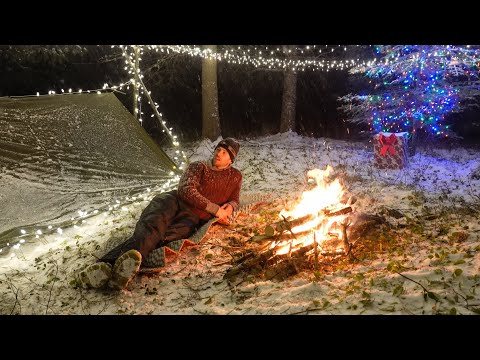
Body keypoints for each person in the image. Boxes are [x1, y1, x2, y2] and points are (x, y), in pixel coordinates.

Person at [77, 138, 242, 290]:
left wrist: (231, 207)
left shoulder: (235, 177)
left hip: (192, 217)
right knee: (154, 227)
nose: (219, 154)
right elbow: (186, 190)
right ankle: (108, 267)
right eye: (218, 149)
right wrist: (215, 209)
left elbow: (235, 199)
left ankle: (111, 269)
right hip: (174, 201)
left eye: (224, 153)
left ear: (231, 160)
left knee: (164, 238)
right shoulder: (199, 167)